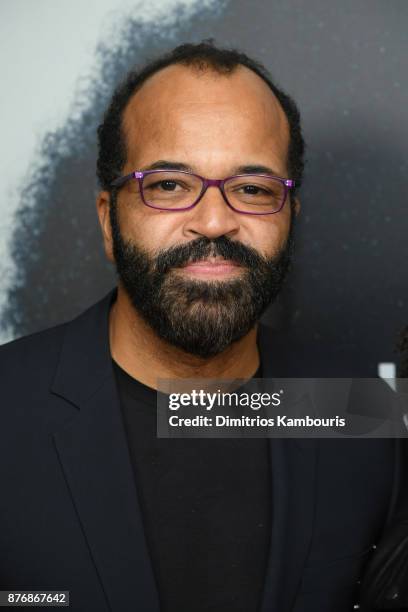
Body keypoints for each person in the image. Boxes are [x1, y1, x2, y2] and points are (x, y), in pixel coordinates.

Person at [0, 41, 402, 612]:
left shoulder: (366, 417)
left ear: (291, 220)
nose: (214, 221)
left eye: (252, 190)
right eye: (168, 184)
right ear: (108, 222)